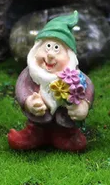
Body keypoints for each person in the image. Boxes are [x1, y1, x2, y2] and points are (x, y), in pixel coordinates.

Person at [8, 11, 93, 152]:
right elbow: (22, 87)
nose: (50, 55)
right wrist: (29, 102)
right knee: (31, 133)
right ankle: (34, 135)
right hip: (38, 121)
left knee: (76, 144)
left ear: (69, 55)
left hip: (65, 122)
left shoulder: (75, 76)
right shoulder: (31, 73)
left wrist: (83, 105)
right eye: (47, 47)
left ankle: (66, 136)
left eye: (56, 48)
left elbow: (87, 89)